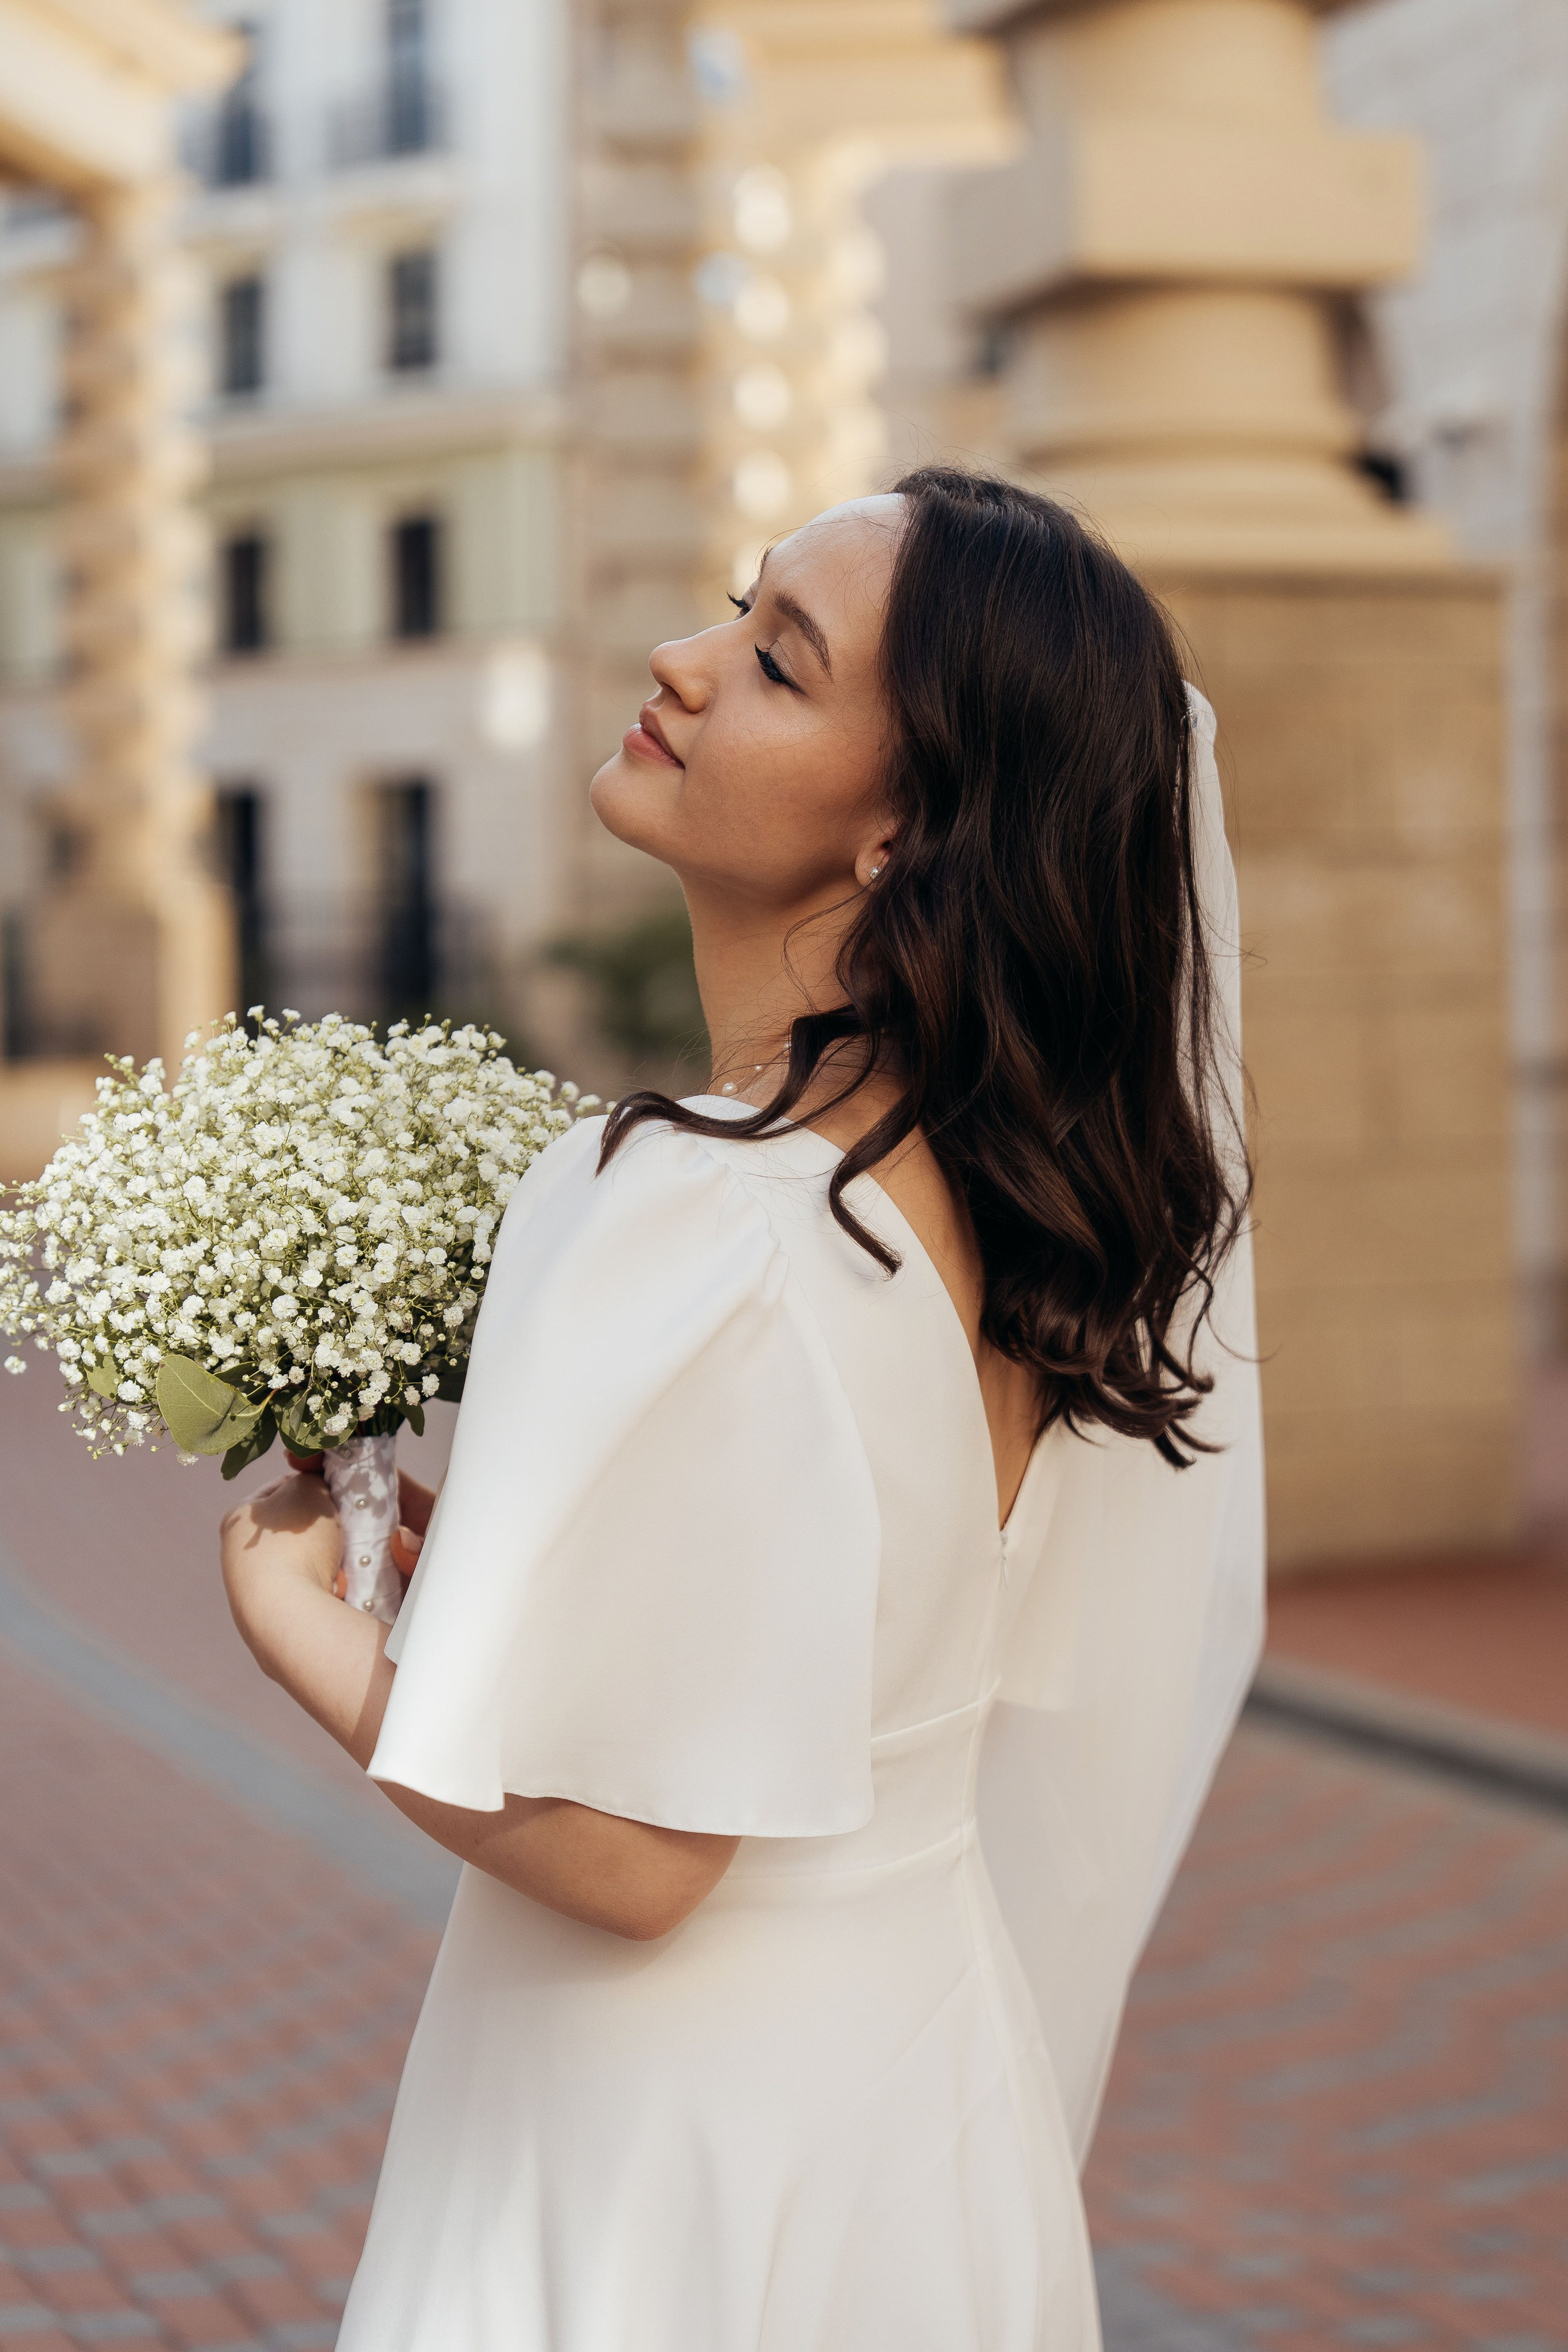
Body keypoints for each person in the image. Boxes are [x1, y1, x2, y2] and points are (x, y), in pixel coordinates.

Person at [220, 466, 1264, 2351]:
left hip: (662, 2166)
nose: (679, 659)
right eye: (734, 605)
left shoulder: (695, 1201)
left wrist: (306, 1632)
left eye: (778, 662)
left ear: (903, 834)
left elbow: (634, 1864)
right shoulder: (992, 1213)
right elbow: (825, 1654)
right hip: (925, 2137)